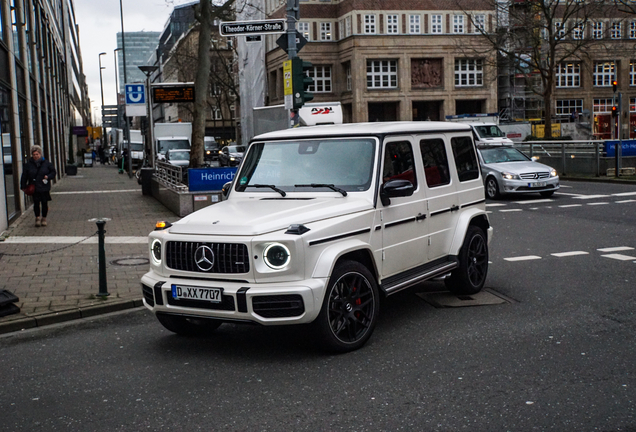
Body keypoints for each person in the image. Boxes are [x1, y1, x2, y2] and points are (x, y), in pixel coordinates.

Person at [20, 145, 56, 227]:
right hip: (34, 187)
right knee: (36, 203)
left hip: (44, 187)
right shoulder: (28, 164)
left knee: (44, 203)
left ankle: (44, 218)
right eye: (34, 154)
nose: (36, 156)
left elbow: (53, 172)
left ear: (40, 154)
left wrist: (48, 176)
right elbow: (24, 175)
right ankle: (37, 217)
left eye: (37, 154)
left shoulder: (47, 163)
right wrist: (23, 185)